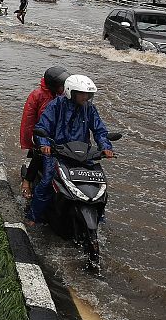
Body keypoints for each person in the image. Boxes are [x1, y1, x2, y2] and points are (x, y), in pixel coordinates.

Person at [25, 74, 115, 226]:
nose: (85, 97)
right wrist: (45, 144)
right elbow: (42, 127)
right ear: (70, 92)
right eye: (82, 93)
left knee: (99, 183)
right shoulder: (56, 105)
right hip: (57, 151)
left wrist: (106, 147)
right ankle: (33, 216)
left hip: (82, 153)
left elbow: (100, 130)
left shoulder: (90, 109)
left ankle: (99, 217)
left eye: (88, 94)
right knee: (47, 181)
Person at [19, 66, 69, 197]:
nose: (63, 89)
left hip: (59, 132)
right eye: (60, 86)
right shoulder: (37, 95)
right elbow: (28, 118)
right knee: (39, 155)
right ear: (53, 85)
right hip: (41, 132)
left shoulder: (65, 96)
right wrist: (29, 137)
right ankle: (27, 180)